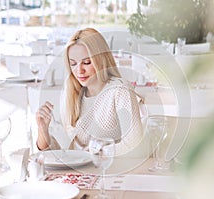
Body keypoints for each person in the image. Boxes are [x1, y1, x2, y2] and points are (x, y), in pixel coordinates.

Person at [36, 28, 143, 156]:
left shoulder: (119, 91)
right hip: (79, 173)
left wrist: (95, 152)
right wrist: (42, 130)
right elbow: (60, 155)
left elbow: (134, 143)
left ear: (101, 60)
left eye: (86, 62)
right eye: (73, 64)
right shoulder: (72, 94)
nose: (79, 70)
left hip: (108, 172)